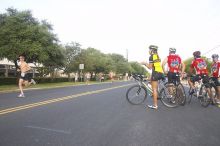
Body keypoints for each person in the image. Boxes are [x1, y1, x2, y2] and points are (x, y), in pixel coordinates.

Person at [142, 45, 164, 109]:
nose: (148, 51)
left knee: (154, 89)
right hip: (160, 72)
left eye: (149, 49)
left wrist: (144, 63)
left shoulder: (151, 57)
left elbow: (150, 67)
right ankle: (155, 93)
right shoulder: (157, 56)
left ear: (151, 50)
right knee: (150, 81)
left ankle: (155, 105)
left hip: (156, 73)